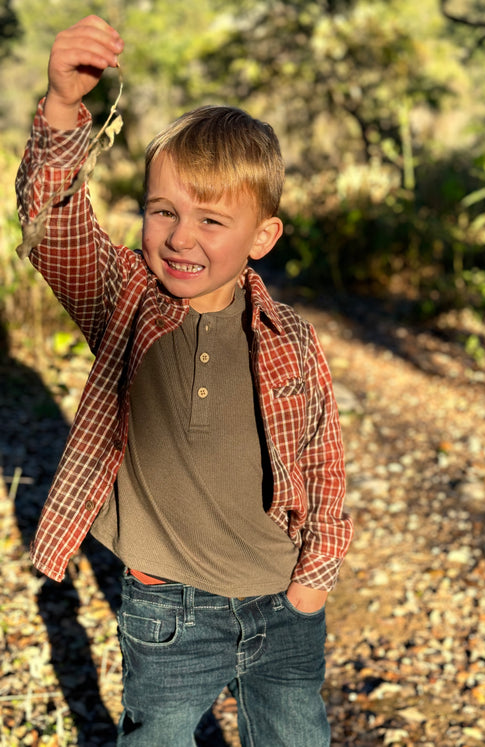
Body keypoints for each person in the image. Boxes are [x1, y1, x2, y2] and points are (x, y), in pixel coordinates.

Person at [16, 15, 353, 747]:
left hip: (281, 600)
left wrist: (315, 575)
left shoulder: (289, 336)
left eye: (211, 219)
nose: (180, 236)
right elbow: (54, 222)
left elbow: (324, 461)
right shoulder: (124, 300)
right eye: (163, 210)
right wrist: (63, 106)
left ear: (262, 238)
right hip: (166, 607)